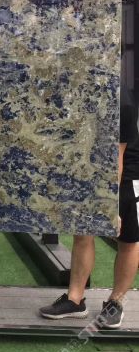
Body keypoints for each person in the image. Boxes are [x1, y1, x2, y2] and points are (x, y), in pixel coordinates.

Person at [39, 86, 139, 329]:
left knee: (128, 239)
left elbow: (116, 160)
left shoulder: (122, 103)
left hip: (124, 172)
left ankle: (116, 302)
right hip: (91, 166)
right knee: (83, 231)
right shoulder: (82, 88)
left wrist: (110, 206)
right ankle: (75, 300)